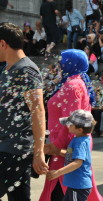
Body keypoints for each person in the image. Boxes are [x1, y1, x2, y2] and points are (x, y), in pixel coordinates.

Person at [39, 49, 103, 201]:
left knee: (63, 190)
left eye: (64, 60)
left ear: (72, 63)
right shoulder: (75, 81)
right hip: (67, 143)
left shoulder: (73, 86)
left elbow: (71, 120)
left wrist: (56, 147)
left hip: (67, 145)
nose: (61, 64)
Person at [0, 22, 48, 201]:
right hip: (8, 146)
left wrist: (39, 151)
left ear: (3, 44)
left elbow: (38, 111)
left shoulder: (26, 70)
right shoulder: (8, 69)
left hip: (14, 149)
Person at [46, 110, 96, 201]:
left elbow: (77, 162)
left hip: (78, 186)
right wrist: (57, 151)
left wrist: (58, 172)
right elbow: (72, 155)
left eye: (70, 125)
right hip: (75, 184)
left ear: (79, 130)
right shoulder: (78, 138)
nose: (67, 126)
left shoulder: (80, 142)